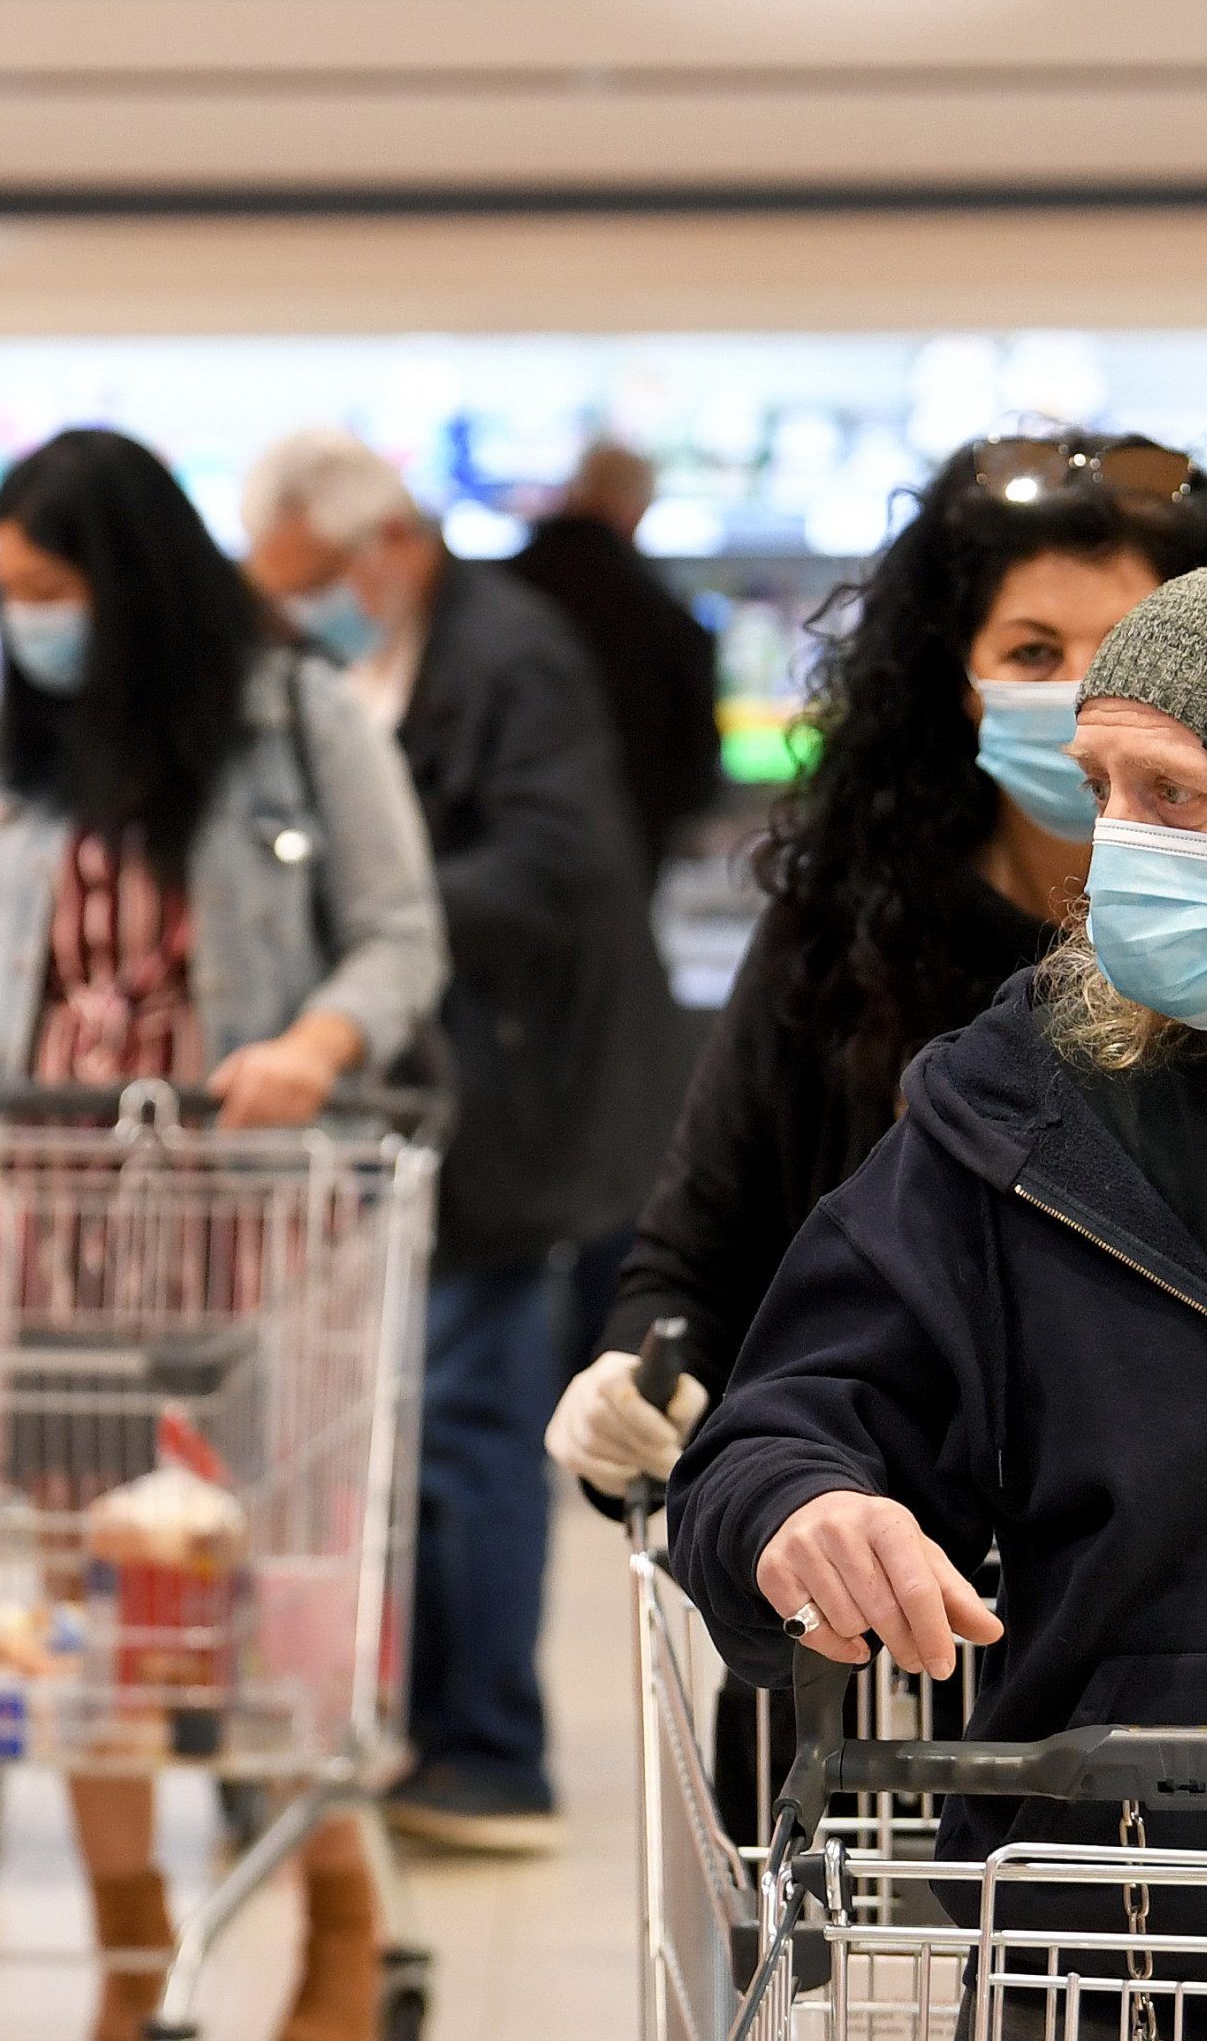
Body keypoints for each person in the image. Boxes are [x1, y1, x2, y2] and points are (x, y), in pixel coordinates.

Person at [666, 562, 1207, 2041]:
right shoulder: (1016, 1107)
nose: (1115, 855)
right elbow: (782, 1414)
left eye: (1176, 797)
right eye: (1110, 798)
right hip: (1103, 1955)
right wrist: (797, 1505)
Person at [0, 424, 449, 2041]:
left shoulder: (293, 718)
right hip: (41, 1241)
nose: (29, 624)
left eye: (51, 591)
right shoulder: (13, 738)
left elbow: (401, 933)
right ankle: (133, 1934)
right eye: (7, 596)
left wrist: (317, 1048)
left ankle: (332, 1900)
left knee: (256, 1594)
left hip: (246, 1236)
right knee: (82, 1596)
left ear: (127, 582)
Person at [550, 436, 1207, 1507]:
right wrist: (641, 1380)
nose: (1087, 692)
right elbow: (705, 1251)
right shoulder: (848, 933)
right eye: (1033, 653)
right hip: (878, 1599)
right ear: (955, 673)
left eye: (1120, 650)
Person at [243, 426, 678, 1852]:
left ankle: (489, 1751)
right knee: (412, 1424)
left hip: (521, 1101)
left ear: (393, 550)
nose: (296, 607)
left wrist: (377, 915)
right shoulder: (366, 657)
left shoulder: (509, 656)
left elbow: (560, 863)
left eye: (310, 580)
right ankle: (422, 1725)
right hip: (432, 1097)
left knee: (475, 1426)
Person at [511, 440, 722, 879]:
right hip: (627, 841)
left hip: (511, 840)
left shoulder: (505, 590)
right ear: (638, 511)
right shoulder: (663, 615)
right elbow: (694, 751)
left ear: (573, 493)